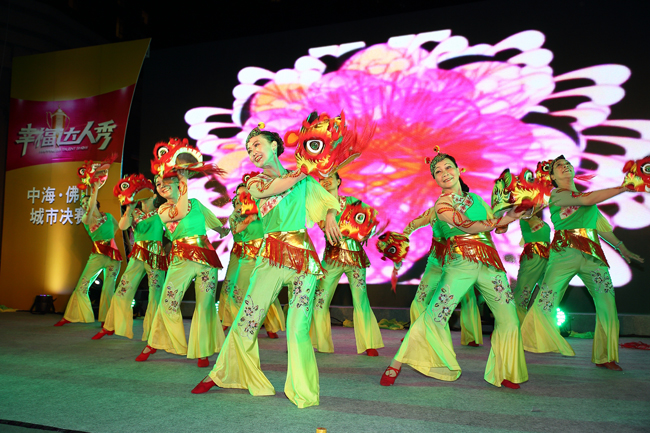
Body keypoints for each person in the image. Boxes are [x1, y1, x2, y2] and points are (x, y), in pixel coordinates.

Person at [191, 124, 340, 409]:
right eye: (249, 149)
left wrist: (331, 214)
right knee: (247, 320)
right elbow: (281, 185)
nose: (253, 152)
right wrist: (308, 167)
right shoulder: (255, 183)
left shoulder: (305, 180)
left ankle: (304, 392)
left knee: (298, 328)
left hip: (303, 260)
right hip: (271, 256)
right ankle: (223, 373)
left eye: (257, 144)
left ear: (274, 146)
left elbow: (330, 201)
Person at [380, 152, 527, 389]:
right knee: (434, 315)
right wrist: (402, 239)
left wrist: (516, 212)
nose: (444, 173)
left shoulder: (478, 200)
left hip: (490, 263)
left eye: (448, 167)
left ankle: (506, 372)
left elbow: (497, 228)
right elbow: (466, 225)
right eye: (438, 172)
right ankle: (397, 362)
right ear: (436, 180)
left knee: (509, 319)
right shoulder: (441, 205)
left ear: (459, 171)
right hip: (460, 262)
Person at [520, 156, 643, 371]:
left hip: (592, 256)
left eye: (567, 164)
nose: (565, 167)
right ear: (552, 176)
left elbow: (600, 226)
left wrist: (622, 247)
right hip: (563, 254)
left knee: (607, 304)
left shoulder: (587, 198)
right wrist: (624, 187)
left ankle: (606, 356)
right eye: (559, 166)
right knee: (546, 300)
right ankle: (526, 339)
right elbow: (587, 200)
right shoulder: (556, 195)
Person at [136, 169, 229, 367]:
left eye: (165, 181)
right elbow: (179, 211)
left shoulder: (195, 203)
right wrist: (184, 179)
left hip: (206, 257)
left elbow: (212, 221)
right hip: (181, 259)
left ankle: (202, 350)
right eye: (158, 184)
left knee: (205, 306)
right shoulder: (163, 211)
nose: (161, 186)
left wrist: (221, 230)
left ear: (176, 183)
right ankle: (157, 342)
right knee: (168, 302)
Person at [310, 173, 384, 356]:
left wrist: (365, 233)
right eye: (322, 179)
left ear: (339, 181)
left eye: (330, 178)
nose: (326, 181)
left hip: (355, 258)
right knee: (320, 300)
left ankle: (369, 343)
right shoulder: (318, 208)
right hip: (331, 258)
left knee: (360, 299)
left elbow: (373, 223)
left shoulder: (353, 202)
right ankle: (322, 343)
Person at [93, 178, 167, 340]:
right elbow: (122, 226)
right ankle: (111, 325)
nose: (144, 197)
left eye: (146, 194)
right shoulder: (135, 212)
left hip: (156, 253)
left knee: (156, 292)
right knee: (123, 288)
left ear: (154, 196)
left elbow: (171, 230)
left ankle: (154, 331)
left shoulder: (162, 211)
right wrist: (129, 208)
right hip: (138, 253)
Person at [404, 206, 483, 347]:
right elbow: (415, 223)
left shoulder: (466, 210)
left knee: (468, 297)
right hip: (436, 261)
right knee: (420, 298)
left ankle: (472, 336)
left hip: (458, 261)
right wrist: (403, 236)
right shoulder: (434, 210)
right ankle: (416, 334)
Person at [221, 182, 285, 337]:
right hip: (242, 254)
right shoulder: (237, 212)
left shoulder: (261, 208)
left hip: (262, 253)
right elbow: (235, 229)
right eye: (240, 194)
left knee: (264, 289)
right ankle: (229, 321)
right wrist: (248, 216)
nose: (243, 196)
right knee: (234, 288)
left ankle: (271, 325)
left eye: (247, 193)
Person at [55, 183, 121, 326]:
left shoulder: (108, 216)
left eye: (87, 201)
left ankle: (106, 321)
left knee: (109, 289)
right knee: (82, 286)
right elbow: (90, 211)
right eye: (82, 203)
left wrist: (109, 240)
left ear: (95, 202)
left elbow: (116, 227)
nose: (84, 204)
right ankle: (72, 316)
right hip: (97, 256)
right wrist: (95, 189)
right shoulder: (87, 219)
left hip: (114, 257)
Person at [512, 213, 551, 323]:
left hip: (547, 257)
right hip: (533, 256)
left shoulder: (536, 217)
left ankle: (542, 328)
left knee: (547, 294)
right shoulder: (525, 216)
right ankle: (517, 328)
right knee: (522, 294)